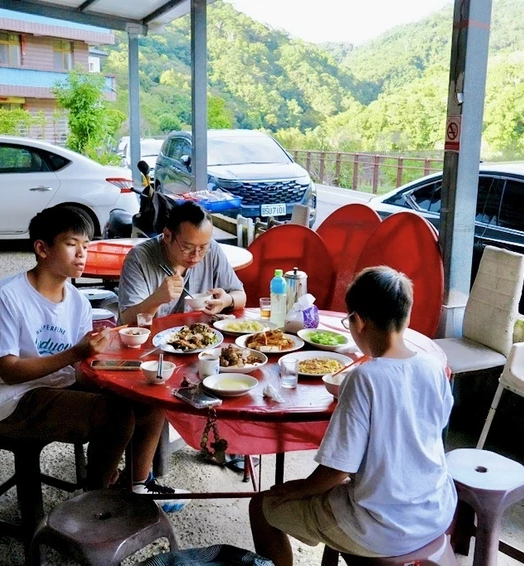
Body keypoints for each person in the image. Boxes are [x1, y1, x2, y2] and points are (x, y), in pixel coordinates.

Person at [0, 205, 187, 508]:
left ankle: (136, 486)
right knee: (116, 416)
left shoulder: (77, 302)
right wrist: (78, 353)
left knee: (149, 398)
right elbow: (9, 372)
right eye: (71, 244)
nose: (81, 254)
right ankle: (93, 502)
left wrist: (120, 370)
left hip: (58, 385)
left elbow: (79, 367)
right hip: (13, 400)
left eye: (85, 246)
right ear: (42, 248)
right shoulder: (5, 296)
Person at [249, 266, 456, 566]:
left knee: (262, 506)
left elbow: (336, 470)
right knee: (344, 493)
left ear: (358, 322)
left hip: (384, 528)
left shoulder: (365, 377)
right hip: (437, 509)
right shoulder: (433, 365)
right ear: (406, 316)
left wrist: (294, 488)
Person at [118, 201, 246, 324]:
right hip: (152, 340)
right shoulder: (139, 258)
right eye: (187, 247)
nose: (196, 256)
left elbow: (241, 296)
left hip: (198, 337)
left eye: (203, 248)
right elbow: (127, 319)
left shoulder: (212, 250)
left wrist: (226, 300)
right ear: (168, 236)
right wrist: (156, 299)